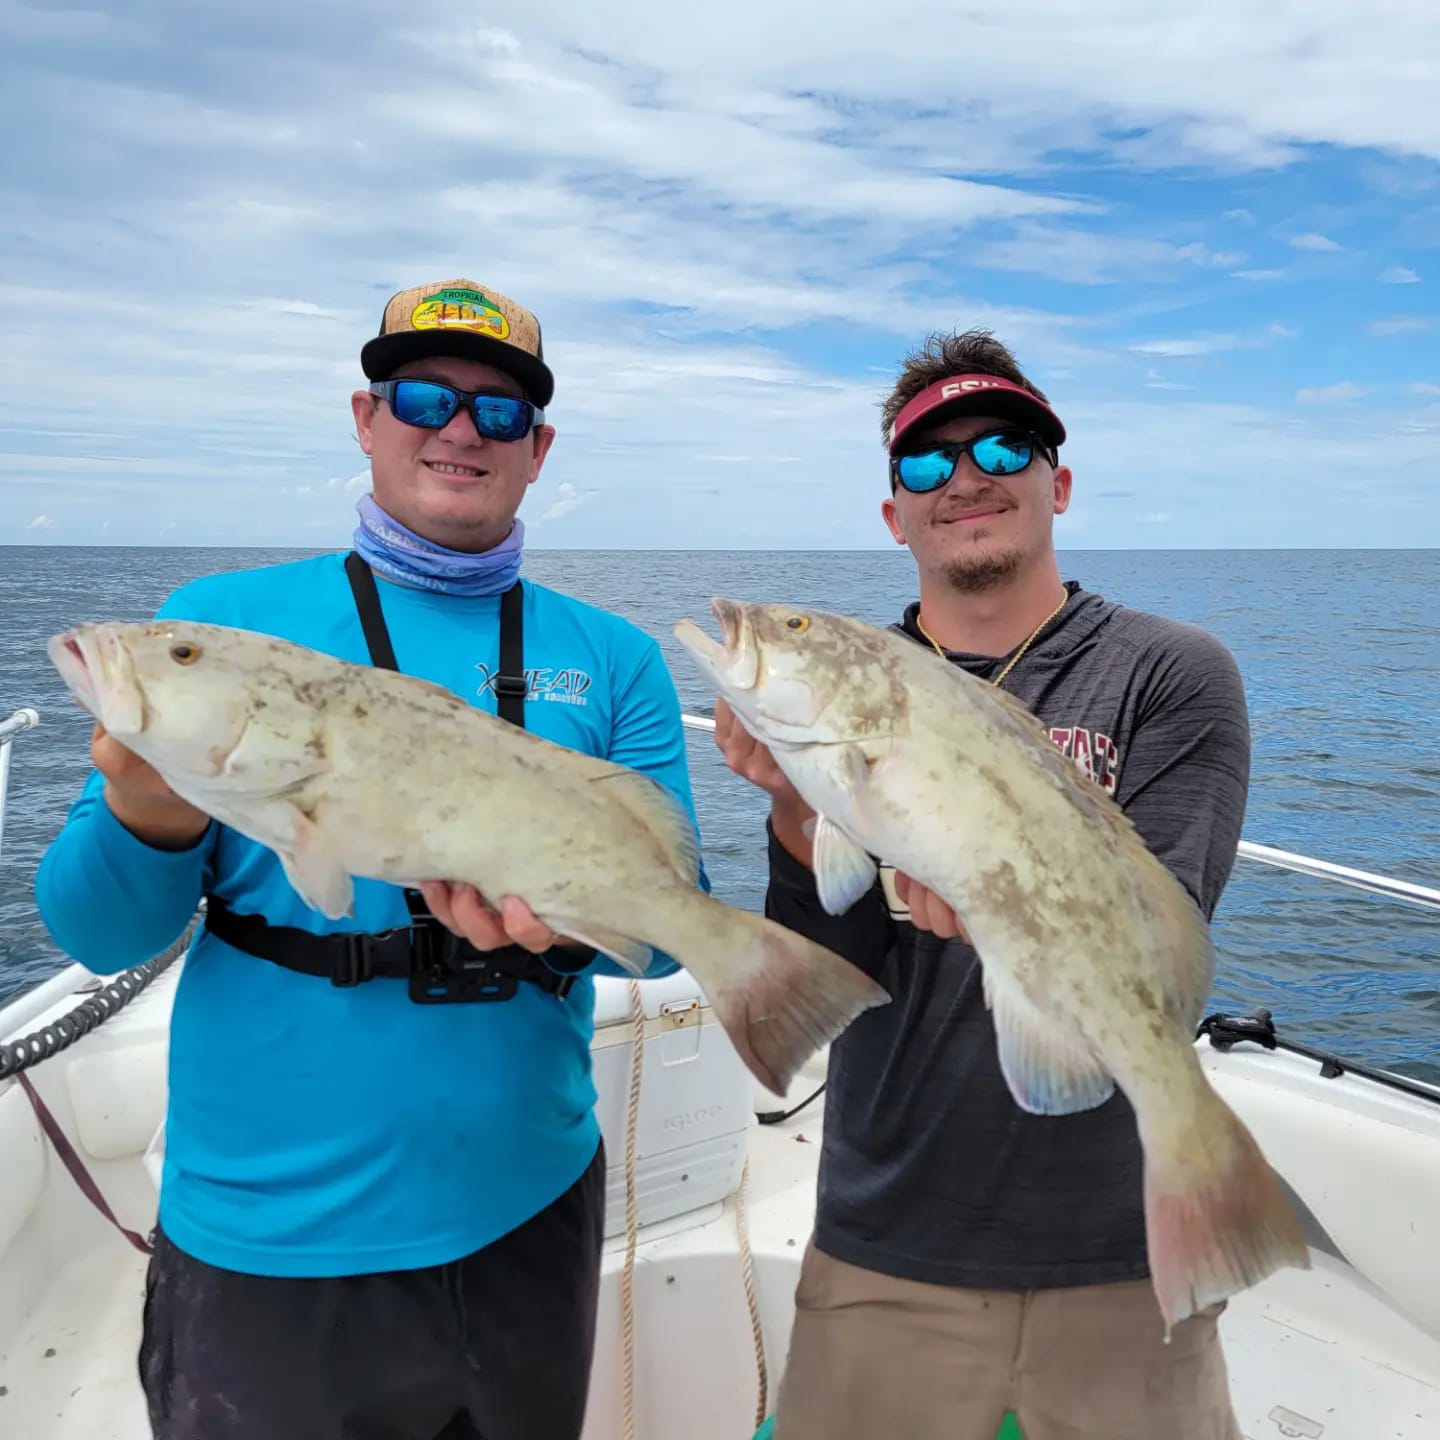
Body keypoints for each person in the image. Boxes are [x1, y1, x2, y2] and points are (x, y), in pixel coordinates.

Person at [34, 277, 708, 1440]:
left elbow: (662, 932)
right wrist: (146, 804)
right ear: (366, 418)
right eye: (424, 397)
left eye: (500, 411)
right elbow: (100, 933)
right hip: (268, 1237)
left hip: (532, 1207)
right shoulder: (220, 620)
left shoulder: (615, 656)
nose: (461, 430)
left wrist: (567, 935)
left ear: (538, 449)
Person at [713, 328, 1253, 1440]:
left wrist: (1008, 905)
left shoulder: (1170, 671)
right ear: (894, 514)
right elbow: (828, 978)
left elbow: (1159, 939)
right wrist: (796, 809)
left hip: (1120, 1242)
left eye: (1004, 448)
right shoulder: (859, 696)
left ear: (1060, 483)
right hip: (887, 1234)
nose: (965, 477)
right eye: (926, 461)